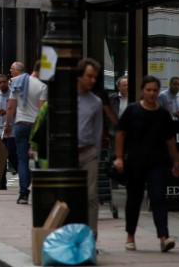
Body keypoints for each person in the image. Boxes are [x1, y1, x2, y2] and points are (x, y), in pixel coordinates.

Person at [114, 75, 179, 253]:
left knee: (158, 198)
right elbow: (120, 134)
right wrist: (119, 157)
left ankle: (163, 237)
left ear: (158, 92)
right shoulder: (132, 111)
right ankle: (130, 236)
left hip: (157, 163)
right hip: (135, 163)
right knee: (134, 199)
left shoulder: (163, 115)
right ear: (143, 91)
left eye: (155, 90)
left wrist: (176, 160)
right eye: (148, 90)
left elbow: (170, 140)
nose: (152, 93)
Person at [4, 61, 48, 204]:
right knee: (38, 158)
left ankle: (23, 193)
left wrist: (7, 124)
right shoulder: (42, 87)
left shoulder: (18, 83)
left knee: (22, 159)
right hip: (35, 126)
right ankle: (41, 191)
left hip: (20, 125)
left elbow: (10, 107)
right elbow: (42, 110)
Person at [76, 58, 104, 239]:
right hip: (67, 155)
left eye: (95, 77)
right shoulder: (64, 98)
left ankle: (91, 238)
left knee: (91, 197)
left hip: (88, 153)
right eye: (89, 76)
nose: (93, 80)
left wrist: (96, 155)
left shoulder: (96, 102)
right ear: (79, 76)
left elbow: (97, 131)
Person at [0, 74, 17, 190]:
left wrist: (6, 111)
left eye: (4, 82)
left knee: (11, 155)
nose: (2, 84)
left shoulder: (13, 94)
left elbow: (16, 110)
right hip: (1, 128)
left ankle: (23, 172)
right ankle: (1, 183)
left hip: (11, 130)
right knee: (0, 157)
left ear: (7, 82)